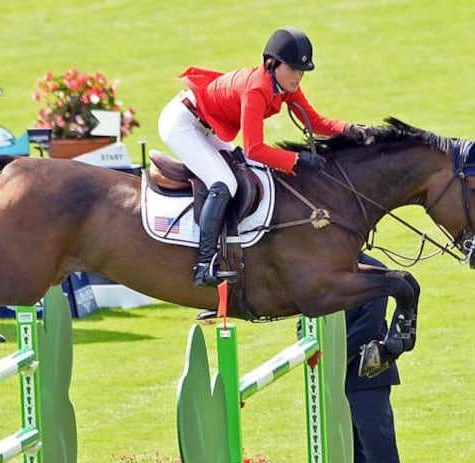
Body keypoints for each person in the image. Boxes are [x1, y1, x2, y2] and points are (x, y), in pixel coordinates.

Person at [158, 27, 373, 288]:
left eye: (302, 70)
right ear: (272, 64)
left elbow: (315, 121)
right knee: (224, 182)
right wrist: (298, 160)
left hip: (206, 125)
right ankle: (204, 264)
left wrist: (352, 129)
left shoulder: (285, 85)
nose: (298, 76)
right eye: (292, 69)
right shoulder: (257, 90)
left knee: (244, 173)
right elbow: (254, 149)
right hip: (182, 123)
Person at [345, 253, 409, 463]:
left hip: (367, 371)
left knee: (377, 442)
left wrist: (334, 354)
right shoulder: (316, 266)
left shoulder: (375, 271)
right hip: (332, 370)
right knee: (346, 444)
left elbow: (370, 324)